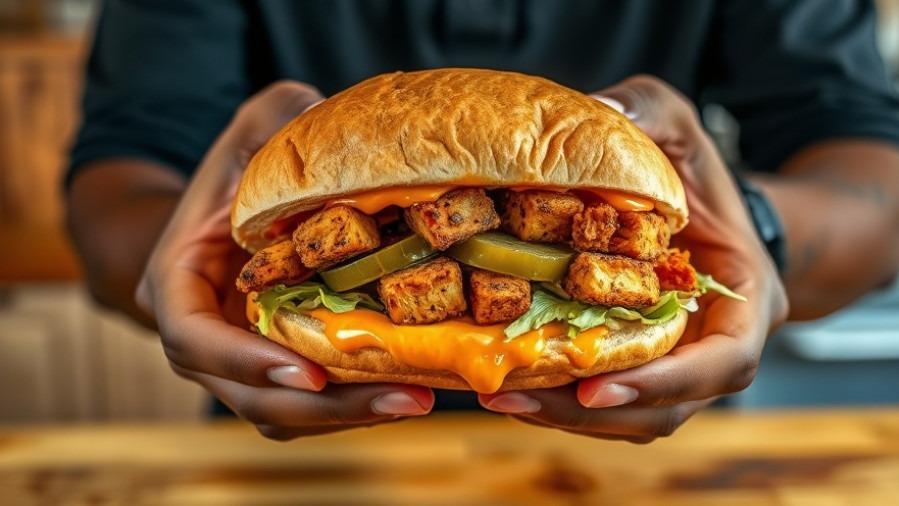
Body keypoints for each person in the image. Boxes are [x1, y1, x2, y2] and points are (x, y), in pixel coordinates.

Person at [65, 1, 899, 443]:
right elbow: (121, 176)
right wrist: (193, 266)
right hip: (286, 461)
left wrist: (749, 230)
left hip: (660, 466)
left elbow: (871, 172)